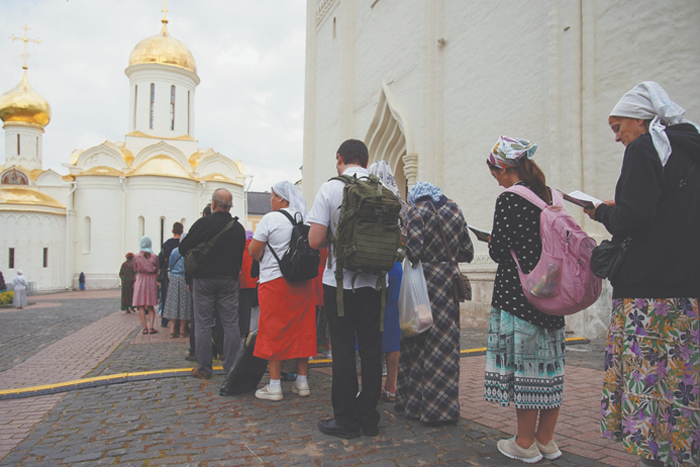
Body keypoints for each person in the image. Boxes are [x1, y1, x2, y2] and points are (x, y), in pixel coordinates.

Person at [584, 82, 700, 467]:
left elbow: (632, 220)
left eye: (618, 128)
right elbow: (665, 210)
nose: (617, 138)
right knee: (681, 384)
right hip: (688, 289)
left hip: (646, 294)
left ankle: (653, 458)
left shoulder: (643, 148)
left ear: (641, 120)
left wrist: (600, 211)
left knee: (647, 383)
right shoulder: (690, 147)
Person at [484, 136, 565, 463]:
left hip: (519, 295)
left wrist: (492, 240)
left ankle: (524, 442)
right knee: (550, 366)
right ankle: (546, 439)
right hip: (554, 293)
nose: (498, 180)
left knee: (526, 368)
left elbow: (500, 250)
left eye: (496, 174)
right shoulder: (552, 196)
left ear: (505, 168)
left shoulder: (510, 199)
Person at [308, 139, 384, 439]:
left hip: (339, 284)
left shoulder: (330, 188)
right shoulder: (384, 189)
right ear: (366, 160)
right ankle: (369, 418)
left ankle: (346, 421)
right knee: (371, 351)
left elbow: (315, 240)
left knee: (342, 352)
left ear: (339, 158)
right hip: (376, 284)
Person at [395, 181, 473, 424]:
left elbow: (415, 252)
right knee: (444, 347)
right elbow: (467, 252)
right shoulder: (455, 210)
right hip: (447, 286)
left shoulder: (416, 212)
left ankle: (415, 405)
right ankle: (443, 409)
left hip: (424, 286)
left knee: (418, 339)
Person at [248, 181, 317, 401]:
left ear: (282, 199)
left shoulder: (270, 219)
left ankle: (275, 385)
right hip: (304, 283)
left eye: (272, 196)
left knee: (273, 330)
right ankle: (302, 382)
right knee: (302, 329)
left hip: (274, 282)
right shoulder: (306, 217)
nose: (270, 200)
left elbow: (254, 250)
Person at [178, 188, 246, 379]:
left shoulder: (202, 224)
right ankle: (231, 368)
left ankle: (204, 368)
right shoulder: (237, 228)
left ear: (213, 204)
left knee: (203, 325)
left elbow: (183, 248)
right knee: (231, 324)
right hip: (229, 282)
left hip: (203, 280)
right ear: (230, 206)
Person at [368, 160, 407, 402]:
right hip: (394, 269)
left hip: (370, 270)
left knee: (368, 326)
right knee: (392, 327)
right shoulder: (400, 204)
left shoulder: (368, 200)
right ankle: (391, 386)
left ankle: (368, 386)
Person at [163, 234, 192, 338]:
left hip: (174, 279)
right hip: (184, 279)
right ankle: (182, 329)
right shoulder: (189, 251)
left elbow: (170, 265)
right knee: (184, 305)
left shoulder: (175, 251)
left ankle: (172, 330)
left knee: (174, 304)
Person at [133, 236, 160, 334]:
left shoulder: (136, 257)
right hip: (151, 280)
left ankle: (145, 327)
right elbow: (157, 269)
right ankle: (152, 327)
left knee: (140, 305)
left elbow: (135, 269)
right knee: (150, 305)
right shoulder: (154, 256)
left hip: (140, 280)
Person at [159, 222, 184, 328]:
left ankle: (165, 319)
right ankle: (180, 321)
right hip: (181, 274)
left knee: (166, 297)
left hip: (167, 274)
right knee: (181, 298)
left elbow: (161, 259)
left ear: (172, 231)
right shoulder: (183, 244)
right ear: (182, 231)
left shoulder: (166, 244)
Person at [238, 230, 257, 338]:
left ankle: (244, 329)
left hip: (243, 282)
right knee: (254, 308)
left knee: (243, 308)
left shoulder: (240, 249)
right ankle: (253, 328)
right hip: (254, 282)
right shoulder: (255, 246)